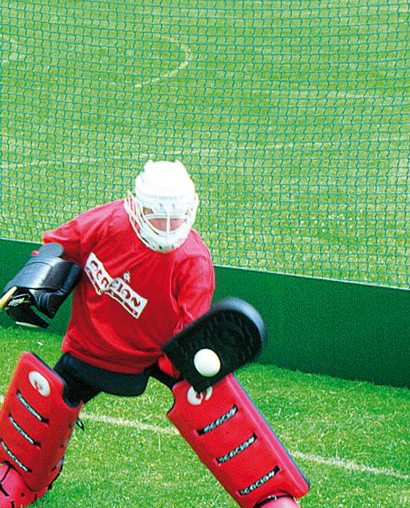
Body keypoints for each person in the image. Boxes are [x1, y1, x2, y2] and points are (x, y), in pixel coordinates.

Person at [0, 160, 307, 508]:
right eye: (155, 216)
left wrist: (194, 370)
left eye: (174, 218)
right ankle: (19, 477)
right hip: (93, 348)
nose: (165, 227)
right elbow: (61, 245)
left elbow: (191, 331)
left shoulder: (193, 261)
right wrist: (33, 281)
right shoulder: (107, 222)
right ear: (136, 205)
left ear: (189, 211)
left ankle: (270, 495)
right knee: (42, 399)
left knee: (216, 406)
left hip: (160, 354)